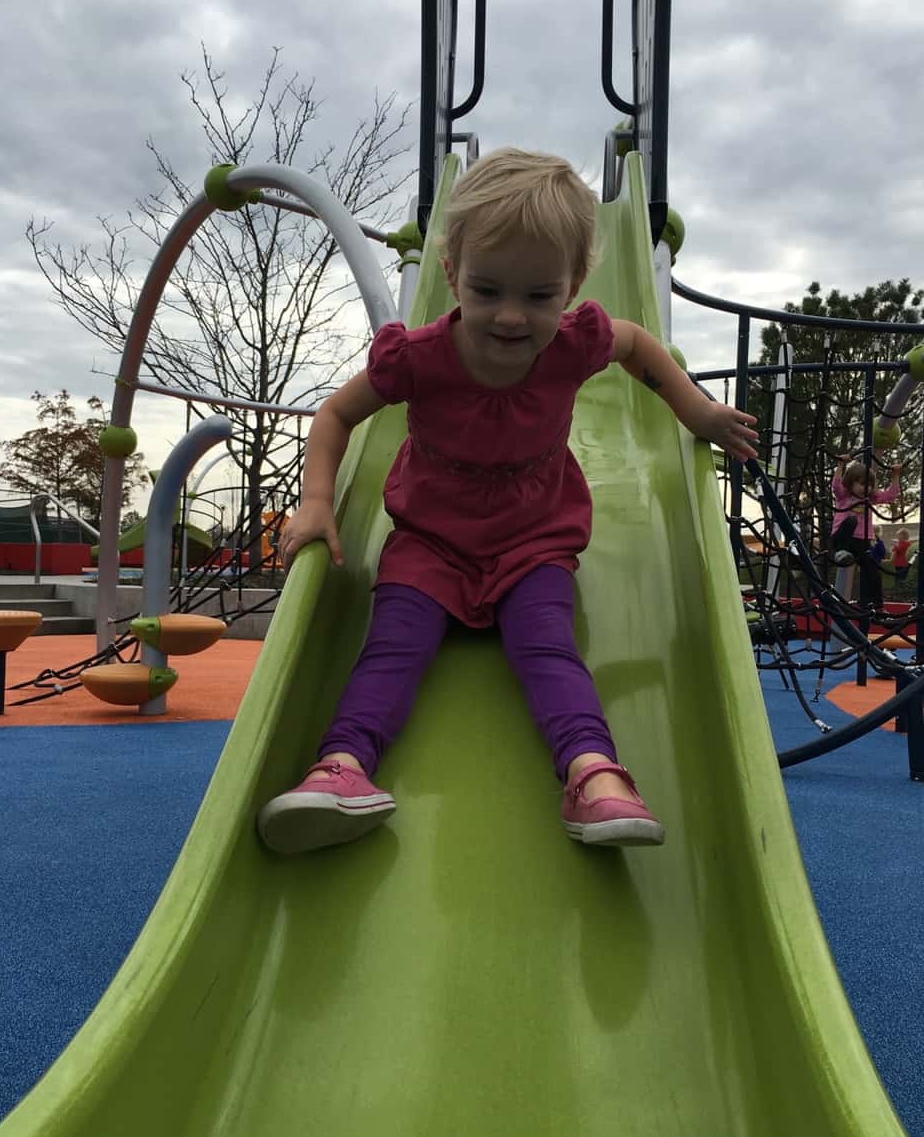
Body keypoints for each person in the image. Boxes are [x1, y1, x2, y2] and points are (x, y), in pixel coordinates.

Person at [258, 148, 758, 856]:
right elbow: (337, 415)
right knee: (390, 650)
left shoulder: (574, 343)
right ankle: (341, 767)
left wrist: (698, 413)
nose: (511, 317)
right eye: (487, 290)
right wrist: (315, 500)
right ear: (450, 272)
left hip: (533, 543)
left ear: (575, 285)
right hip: (430, 542)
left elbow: (639, 344)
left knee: (548, 648)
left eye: (538, 296)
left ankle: (593, 771)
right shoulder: (419, 357)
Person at [830, 453, 901, 613]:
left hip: (861, 542)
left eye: (869, 485)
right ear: (851, 483)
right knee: (851, 521)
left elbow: (891, 495)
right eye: (862, 484)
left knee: (873, 572)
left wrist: (895, 475)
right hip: (842, 538)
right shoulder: (844, 496)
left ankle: (879, 606)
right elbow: (836, 486)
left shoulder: (870, 499)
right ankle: (841, 552)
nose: (866, 488)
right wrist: (841, 466)